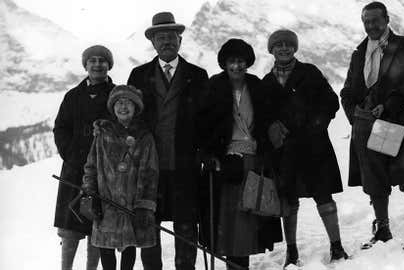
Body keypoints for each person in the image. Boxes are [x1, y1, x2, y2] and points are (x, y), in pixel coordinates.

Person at [340, 1, 404, 250]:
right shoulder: (359, 53)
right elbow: (348, 90)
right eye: (366, 21)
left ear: (387, 19)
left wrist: (396, 99)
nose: (371, 26)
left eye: (375, 20)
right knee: (374, 177)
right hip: (370, 125)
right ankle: (382, 230)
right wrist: (354, 113)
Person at [127, 11, 210, 270]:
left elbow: (206, 120)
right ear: (153, 42)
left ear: (180, 41)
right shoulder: (138, 76)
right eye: (161, 37)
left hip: (185, 164)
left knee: (186, 225)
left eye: (172, 37)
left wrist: (204, 152)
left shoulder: (197, 76)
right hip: (148, 167)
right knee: (149, 223)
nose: (167, 42)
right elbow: (130, 118)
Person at [262, 29, 349, 267]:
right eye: (277, 45)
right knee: (289, 201)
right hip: (285, 151)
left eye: (288, 44)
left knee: (323, 196)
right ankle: (291, 253)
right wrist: (272, 128)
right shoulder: (267, 83)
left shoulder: (309, 72)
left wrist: (316, 123)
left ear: (294, 48)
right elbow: (263, 116)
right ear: (271, 50)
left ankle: (337, 247)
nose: (283, 48)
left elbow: (331, 101)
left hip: (314, 146)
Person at [201, 38, 283, 270]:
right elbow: (203, 123)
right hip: (224, 162)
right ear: (224, 64)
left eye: (240, 61)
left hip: (253, 161)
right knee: (227, 221)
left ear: (247, 63)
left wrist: (267, 149)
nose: (236, 66)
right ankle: (231, 265)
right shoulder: (214, 86)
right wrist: (209, 153)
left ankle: (241, 266)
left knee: (247, 218)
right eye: (231, 62)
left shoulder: (256, 85)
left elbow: (267, 118)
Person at [82, 85, 159, 270]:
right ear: (113, 107)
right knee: (106, 249)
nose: (123, 107)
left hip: (132, 203)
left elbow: (151, 172)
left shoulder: (145, 137)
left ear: (136, 108)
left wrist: (144, 205)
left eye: (128, 103)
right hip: (105, 202)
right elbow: (91, 166)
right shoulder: (102, 134)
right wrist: (89, 193)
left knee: (129, 247)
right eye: (119, 102)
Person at [53, 45, 115, 270]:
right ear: (86, 65)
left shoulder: (116, 94)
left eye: (102, 60)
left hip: (104, 170)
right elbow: (60, 128)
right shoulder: (73, 96)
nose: (98, 64)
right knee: (70, 226)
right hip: (74, 168)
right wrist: (70, 154)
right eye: (93, 60)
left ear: (109, 65)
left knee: (96, 224)